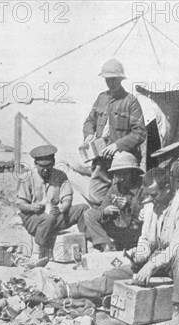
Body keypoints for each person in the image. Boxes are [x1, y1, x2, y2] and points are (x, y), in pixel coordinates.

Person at [61, 168, 179, 325]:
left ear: (167, 188)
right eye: (149, 195)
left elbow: (178, 245)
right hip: (161, 258)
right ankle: (72, 289)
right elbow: (146, 238)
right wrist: (141, 255)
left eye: (154, 194)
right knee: (118, 274)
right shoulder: (153, 206)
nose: (151, 199)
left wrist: (151, 266)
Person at [82, 58, 146, 207]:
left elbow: (140, 132)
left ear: (121, 79)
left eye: (114, 79)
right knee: (96, 194)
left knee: (121, 195)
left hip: (124, 159)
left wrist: (118, 145)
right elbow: (89, 121)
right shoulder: (101, 98)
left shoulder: (131, 101)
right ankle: (99, 219)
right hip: (101, 157)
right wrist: (89, 135)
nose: (111, 83)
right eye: (108, 80)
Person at [16, 145, 88, 267]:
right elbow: (20, 204)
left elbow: (67, 198)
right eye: (42, 167)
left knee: (83, 209)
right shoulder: (26, 178)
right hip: (33, 219)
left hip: (55, 216)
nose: (45, 170)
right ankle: (40, 251)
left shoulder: (60, 176)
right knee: (48, 217)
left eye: (48, 166)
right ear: (35, 164)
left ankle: (89, 245)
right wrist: (32, 207)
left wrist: (62, 208)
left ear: (53, 163)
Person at [83, 151, 144, 252]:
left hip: (137, 231)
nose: (121, 178)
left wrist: (129, 205)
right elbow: (101, 210)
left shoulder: (143, 187)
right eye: (118, 174)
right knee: (89, 214)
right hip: (120, 230)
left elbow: (147, 214)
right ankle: (107, 245)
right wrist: (106, 212)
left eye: (125, 174)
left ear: (134, 172)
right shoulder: (116, 187)